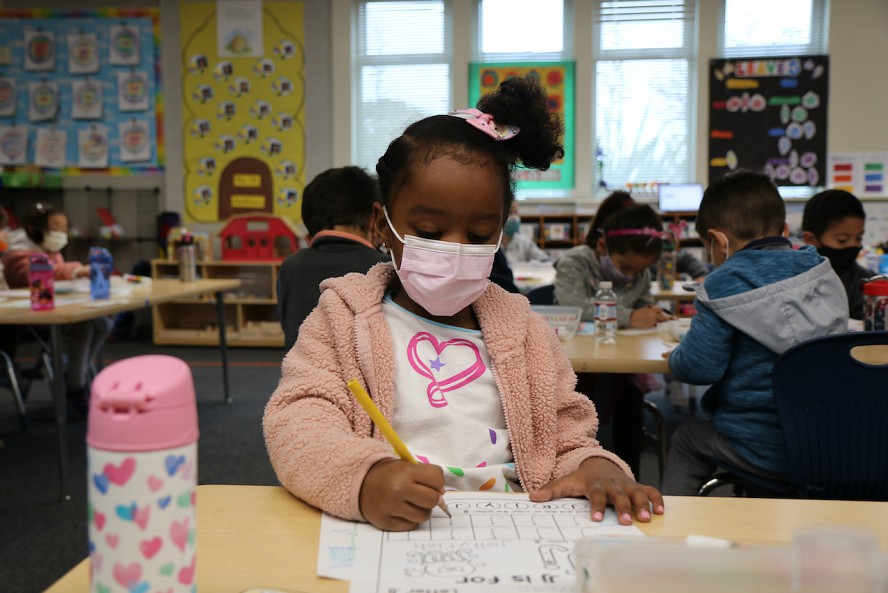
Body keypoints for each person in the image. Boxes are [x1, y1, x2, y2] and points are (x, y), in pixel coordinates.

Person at [264, 75, 663, 532]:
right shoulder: (341, 318)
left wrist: (594, 464)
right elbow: (297, 422)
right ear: (381, 225)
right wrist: (365, 479)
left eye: (478, 236)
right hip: (390, 530)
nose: (454, 250)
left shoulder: (524, 330)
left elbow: (565, 433)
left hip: (516, 528)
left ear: (501, 230)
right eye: (430, 233)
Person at [661, 170, 849, 495]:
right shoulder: (821, 271)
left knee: (686, 438)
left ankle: (668, 533)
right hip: (829, 442)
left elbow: (698, 367)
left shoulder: (723, 283)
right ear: (785, 231)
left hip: (762, 446)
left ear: (719, 242)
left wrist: (678, 356)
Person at [554, 193, 673, 475]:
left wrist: (652, 312)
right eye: (626, 267)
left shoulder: (640, 274)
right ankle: (571, 469)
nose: (632, 277)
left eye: (641, 271)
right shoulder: (574, 262)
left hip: (620, 358)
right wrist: (630, 316)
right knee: (573, 408)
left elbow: (642, 299)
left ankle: (628, 476)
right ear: (602, 245)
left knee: (630, 398)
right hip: (576, 360)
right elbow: (573, 309)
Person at [2, 204, 113, 414]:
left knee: (102, 321)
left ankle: (73, 374)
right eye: (55, 228)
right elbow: (42, 273)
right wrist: (77, 271)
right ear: (36, 227)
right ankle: (75, 385)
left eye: (64, 229)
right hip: (29, 318)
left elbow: (57, 272)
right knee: (85, 323)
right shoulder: (18, 254)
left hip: (52, 310)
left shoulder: (51, 252)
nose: (60, 234)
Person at [277, 166, 389, 350]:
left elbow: (288, 326)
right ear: (373, 222)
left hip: (299, 374)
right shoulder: (384, 269)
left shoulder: (290, 267)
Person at [801, 189, 876, 320]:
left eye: (858, 238)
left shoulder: (867, 282)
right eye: (842, 240)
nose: (853, 245)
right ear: (811, 239)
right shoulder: (795, 283)